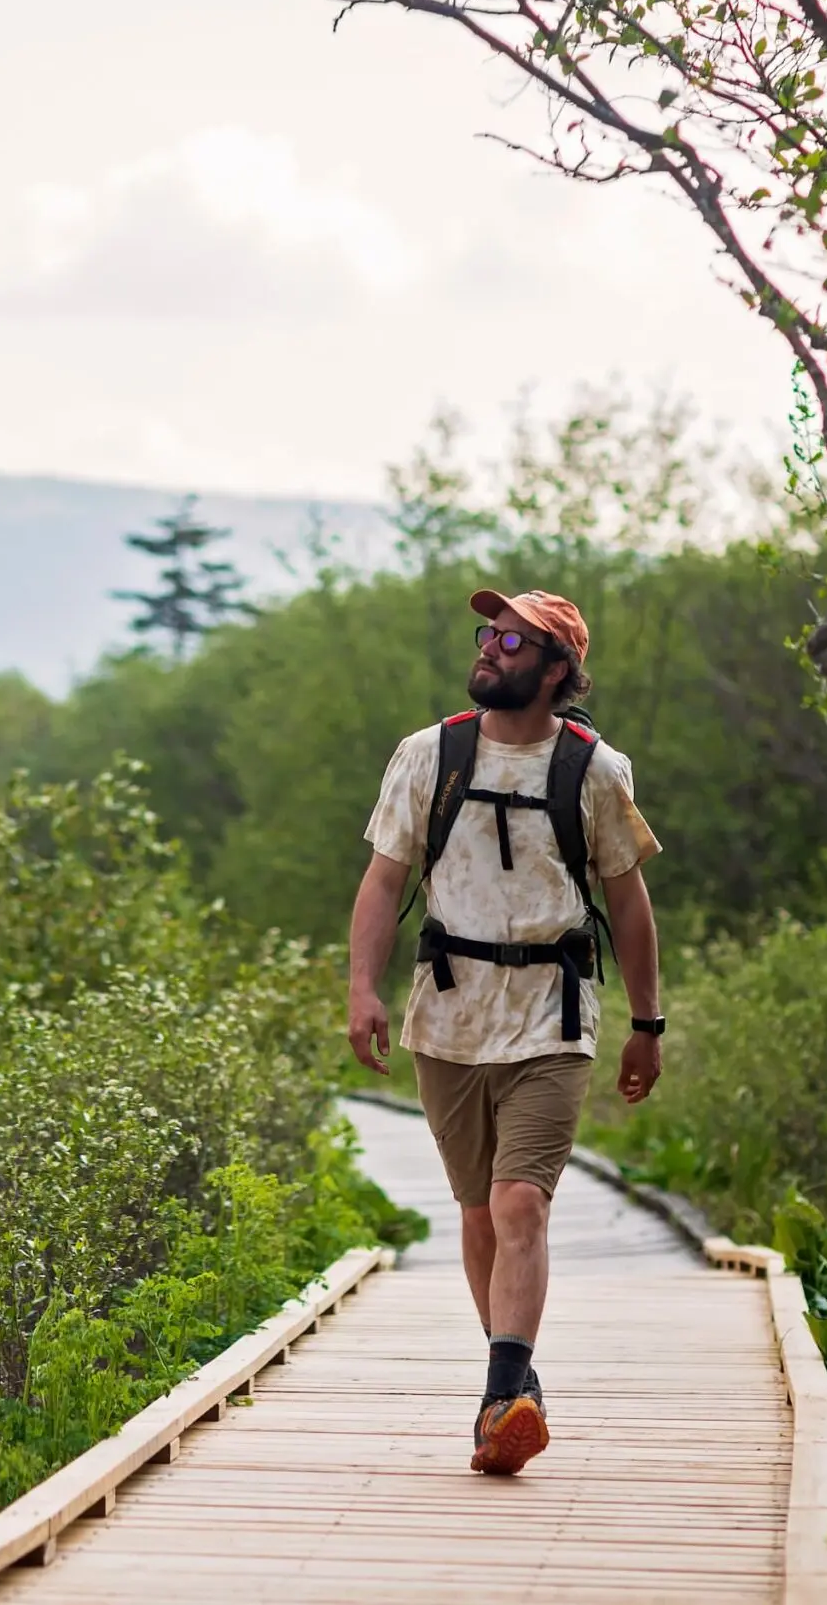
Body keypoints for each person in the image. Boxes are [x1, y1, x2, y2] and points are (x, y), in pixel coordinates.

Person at [344, 588, 665, 1476]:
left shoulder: (596, 771)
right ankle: (518, 1379)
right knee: (479, 1211)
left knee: (522, 1200)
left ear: (556, 668)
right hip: (447, 1014)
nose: (490, 646)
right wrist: (361, 988)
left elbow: (628, 904)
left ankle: (497, 1398)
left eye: (512, 638)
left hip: (552, 1017)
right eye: (487, 632)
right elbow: (382, 880)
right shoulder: (428, 755)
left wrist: (647, 1022)